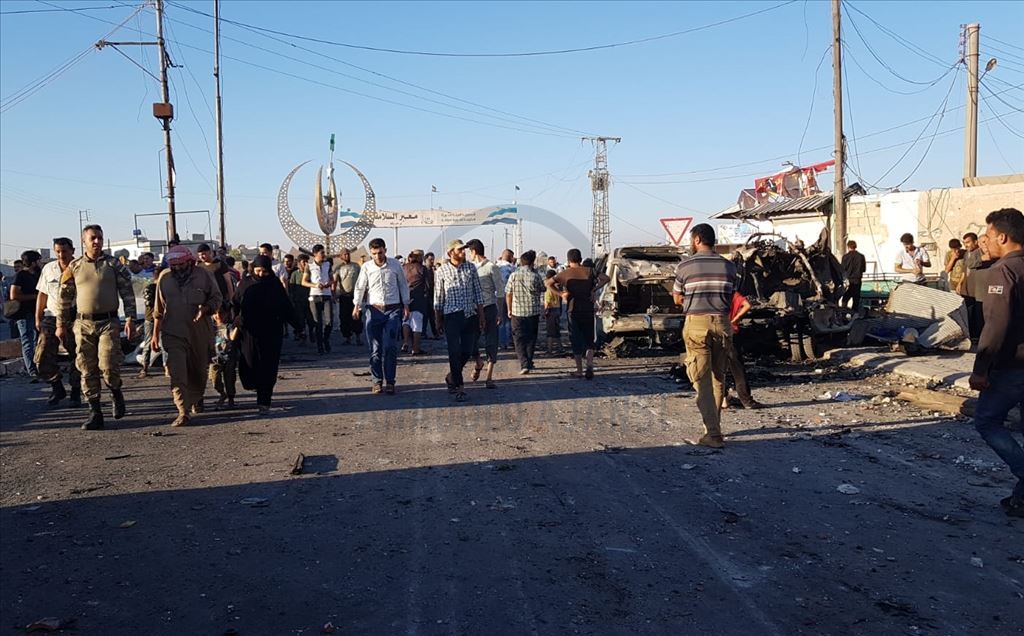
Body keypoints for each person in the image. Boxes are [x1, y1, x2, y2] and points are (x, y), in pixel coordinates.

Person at [968, 208, 1024, 519]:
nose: (984, 242)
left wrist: (981, 369)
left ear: (1002, 237)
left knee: (987, 422)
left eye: (987, 236)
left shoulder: (1003, 271)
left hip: (1012, 367)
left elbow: (996, 324)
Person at [57, 224, 137, 430]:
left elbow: (127, 292)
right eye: (92, 238)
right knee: (86, 367)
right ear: (83, 241)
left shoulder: (113, 264)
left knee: (108, 364)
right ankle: (95, 412)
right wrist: (61, 324)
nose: (97, 241)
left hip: (108, 322)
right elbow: (64, 297)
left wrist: (130, 318)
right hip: (83, 324)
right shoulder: (74, 266)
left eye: (100, 238)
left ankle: (116, 391)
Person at [672, 223, 736, 449]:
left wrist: (693, 299)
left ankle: (713, 434)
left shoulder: (685, 266)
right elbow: (730, 295)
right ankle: (713, 425)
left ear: (697, 239)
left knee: (701, 379)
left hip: (697, 325)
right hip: (723, 323)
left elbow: (677, 298)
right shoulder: (729, 266)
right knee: (719, 377)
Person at [152, 246, 222, 426]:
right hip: (173, 332)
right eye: (173, 265)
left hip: (199, 332)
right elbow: (158, 310)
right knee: (177, 373)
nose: (177, 268)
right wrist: (155, 335)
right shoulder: (165, 278)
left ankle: (195, 398)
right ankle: (183, 411)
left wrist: (206, 308)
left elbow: (217, 298)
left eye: (180, 264)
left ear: (189, 262)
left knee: (198, 372)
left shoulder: (203, 275)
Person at [236, 255, 299, 415]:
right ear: (253, 269)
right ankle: (254, 385)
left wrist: (298, 326)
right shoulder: (245, 283)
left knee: (269, 367)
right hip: (249, 333)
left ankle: (264, 401)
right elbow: (235, 303)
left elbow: (286, 306)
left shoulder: (274, 284)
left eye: (264, 271)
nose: (261, 274)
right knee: (248, 365)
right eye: (258, 271)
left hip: (271, 332)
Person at [352, 238, 410, 394]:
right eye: (374, 253)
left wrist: (406, 305)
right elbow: (360, 287)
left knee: (390, 346)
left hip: (393, 310)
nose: (377, 256)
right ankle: (377, 381)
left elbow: (403, 285)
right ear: (371, 253)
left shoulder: (395, 265)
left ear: (385, 250)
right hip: (374, 310)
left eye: (380, 252)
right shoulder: (367, 267)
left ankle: (390, 382)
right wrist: (356, 306)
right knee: (375, 348)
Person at [434, 239, 485, 401]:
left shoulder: (470, 268)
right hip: (451, 316)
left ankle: (451, 376)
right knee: (454, 351)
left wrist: (481, 316)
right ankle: (459, 387)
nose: (463, 252)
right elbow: (438, 297)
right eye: (459, 250)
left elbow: (478, 293)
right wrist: (438, 320)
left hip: (470, 315)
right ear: (451, 253)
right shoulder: (441, 271)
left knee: (467, 351)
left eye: (464, 249)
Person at [550, 248, 610, 380]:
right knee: (589, 340)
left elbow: (548, 283)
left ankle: (579, 370)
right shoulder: (590, 271)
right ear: (580, 259)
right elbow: (606, 278)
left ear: (568, 261)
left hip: (573, 311)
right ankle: (590, 365)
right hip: (588, 310)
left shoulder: (565, 273)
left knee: (575, 340)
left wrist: (561, 294)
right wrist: (594, 289)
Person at [34, 238, 81, 406]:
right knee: (42, 355)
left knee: (78, 355)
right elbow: (42, 293)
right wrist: (38, 317)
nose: (61, 255)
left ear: (72, 251)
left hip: (74, 315)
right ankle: (56, 386)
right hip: (52, 315)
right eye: (58, 252)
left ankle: (76, 391)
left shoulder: (80, 267)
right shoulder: (49, 268)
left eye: (65, 251)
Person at [466, 239, 505, 388]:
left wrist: (499, 312)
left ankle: (489, 376)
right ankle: (478, 362)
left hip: (489, 308)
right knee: (471, 341)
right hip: (473, 309)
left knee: (491, 341)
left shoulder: (491, 267)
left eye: (469, 252)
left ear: (474, 252)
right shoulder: (469, 268)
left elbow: (500, 291)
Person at [721, 291, 764, 410]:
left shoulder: (711, 295)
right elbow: (747, 305)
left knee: (718, 369)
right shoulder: (732, 294)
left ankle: (723, 399)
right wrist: (735, 319)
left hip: (714, 333)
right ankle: (746, 400)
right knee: (737, 368)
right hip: (731, 333)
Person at [505, 250, 546, 375]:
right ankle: (528, 361)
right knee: (531, 338)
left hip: (517, 312)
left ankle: (524, 363)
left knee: (518, 338)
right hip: (533, 312)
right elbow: (543, 288)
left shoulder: (513, 275)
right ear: (532, 262)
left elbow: (508, 293)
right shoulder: (535, 276)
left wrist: (509, 308)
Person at [10, 250, 41, 379]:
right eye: (38, 260)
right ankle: (32, 370)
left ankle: (40, 366)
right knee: (28, 342)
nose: (40, 263)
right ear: (33, 262)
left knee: (39, 341)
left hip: (37, 312)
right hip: (24, 314)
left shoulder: (38, 274)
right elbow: (14, 295)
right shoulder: (20, 275)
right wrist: (34, 296)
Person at [302, 244, 334, 354]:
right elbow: (304, 282)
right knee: (317, 323)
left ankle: (326, 339)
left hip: (326, 295)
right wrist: (315, 285)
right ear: (315, 254)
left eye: (324, 252)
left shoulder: (328, 264)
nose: (324, 255)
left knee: (329, 321)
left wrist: (329, 283)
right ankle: (320, 345)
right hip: (315, 296)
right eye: (322, 253)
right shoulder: (309, 266)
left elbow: (332, 279)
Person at [210, 305, 238, 409]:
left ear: (226, 314)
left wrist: (237, 327)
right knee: (214, 378)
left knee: (229, 379)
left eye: (221, 313)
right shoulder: (211, 327)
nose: (218, 316)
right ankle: (222, 393)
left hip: (228, 357)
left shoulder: (229, 326)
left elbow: (232, 337)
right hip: (215, 358)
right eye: (215, 313)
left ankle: (231, 398)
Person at [402, 250, 430, 356]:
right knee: (417, 325)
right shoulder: (422, 269)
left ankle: (405, 342)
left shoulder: (404, 267)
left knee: (406, 321)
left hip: (405, 298)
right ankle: (416, 348)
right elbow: (428, 285)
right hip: (418, 299)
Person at [332, 247, 361, 345]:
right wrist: (334, 294)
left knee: (357, 317)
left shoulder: (356, 266)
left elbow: (362, 280)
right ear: (341, 257)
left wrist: (364, 292)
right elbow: (334, 281)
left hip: (355, 296)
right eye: (344, 254)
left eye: (348, 254)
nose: (347, 256)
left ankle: (358, 337)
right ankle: (347, 337)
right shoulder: (338, 268)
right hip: (344, 296)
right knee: (344, 317)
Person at [962, 232, 985, 339]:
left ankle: (978, 335)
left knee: (978, 312)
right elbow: (965, 269)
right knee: (968, 311)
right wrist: (961, 283)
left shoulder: (980, 252)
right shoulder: (967, 253)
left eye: (968, 242)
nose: (966, 245)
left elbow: (971, 264)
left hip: (978, 287)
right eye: (964, 243)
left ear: (976, 242)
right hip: (968, 286)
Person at [197, 243, 235, 308]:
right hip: (206, 300)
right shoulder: (199, 266)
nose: (201, 257)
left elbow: (228, 282)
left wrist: (231, 298)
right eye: (199, 255)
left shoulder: (220, 264)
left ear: (209, 252)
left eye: (203, 254)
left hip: (221, 299)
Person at [289, 254, 314, 342]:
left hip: (309, 300)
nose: (306, 264)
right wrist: (292, 300)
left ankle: (312, 334)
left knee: (311, 319)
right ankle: (302, 336)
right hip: (298, 301)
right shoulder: (295, 274)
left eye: (307, 261)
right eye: (304, 262)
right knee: (300, 320)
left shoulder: (311, 273)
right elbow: (291, 288)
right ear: (299, 263)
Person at [496, 249, 516, 350]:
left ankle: (501, 342)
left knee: (500, 319)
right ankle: (510, 341)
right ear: (511, 257)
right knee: (509, 318)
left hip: (497, 296)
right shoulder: (512, 268)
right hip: (510, 295)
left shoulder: (496, 267)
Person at [840, 240, 866, 312]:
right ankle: (855, 313)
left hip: (848, 281)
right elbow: (864, 269)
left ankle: (844, 312)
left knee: (845, 298)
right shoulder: (861, 256)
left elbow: (842, 269)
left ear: (848, 247)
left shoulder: (845, 257)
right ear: (855, 246)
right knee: (856, 298)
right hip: (857, 280)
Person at [543, 270, 563, 356]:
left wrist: (545, 311)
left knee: (550, 332)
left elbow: (547, 301)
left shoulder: (548, 289)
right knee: (556, 330)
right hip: (557, 309)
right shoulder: (557, 287)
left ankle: (549, 349)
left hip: (551, 310)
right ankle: (560, 347)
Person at [423, 252, 440, 340]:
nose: (432, 261)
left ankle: (435, 332)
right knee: (426, 315)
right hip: (425, 296)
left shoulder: (433, 271)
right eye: (430, 260)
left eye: (433, 259)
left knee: (432, 315)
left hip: (432, 295)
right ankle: (424, 333)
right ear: (425, 260)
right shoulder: (423, 270)